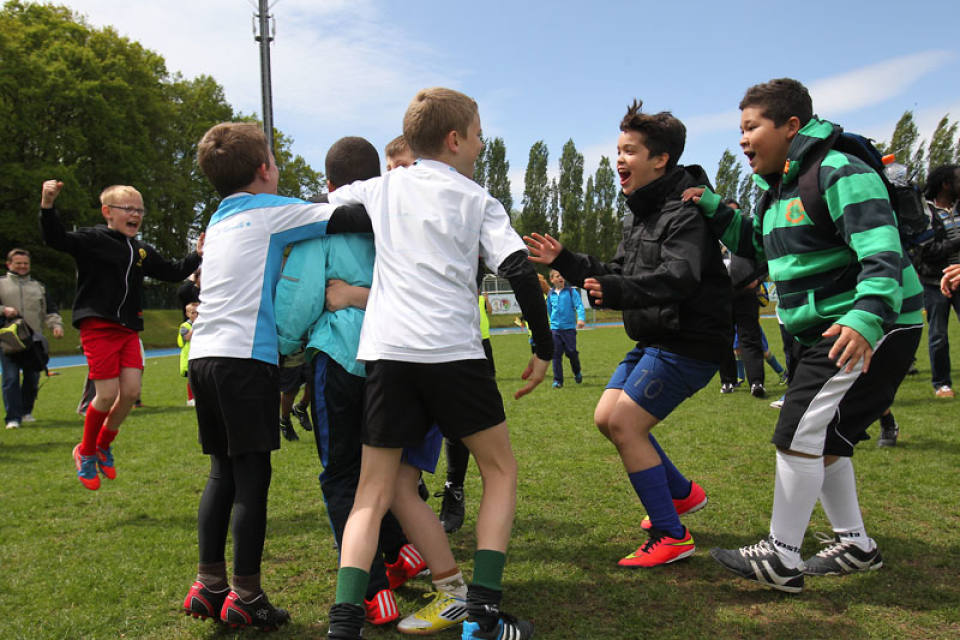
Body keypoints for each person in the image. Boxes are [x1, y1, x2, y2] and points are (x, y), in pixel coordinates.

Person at [324, 87, 552, 640]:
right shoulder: (477, 199)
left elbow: (327, 207)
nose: (481, 144)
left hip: (388, 356)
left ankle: (343, 627)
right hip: (454, 354)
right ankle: (483, 617)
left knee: (371, 495)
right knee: (500, 471)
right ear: (454, 140)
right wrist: (544, 347)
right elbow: (519, 270)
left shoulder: (380, 187)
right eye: (478, 135)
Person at [685, 78, 923, 593]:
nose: (742, 139)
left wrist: (865, 318)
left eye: (752, 127)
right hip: (828, 329)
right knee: (827, 437)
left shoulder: (840, 171)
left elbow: (881, 250)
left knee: (796, 431)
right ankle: (856, 545)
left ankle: (782, 555)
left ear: (791, 126)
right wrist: (713, 207)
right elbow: (755, 244)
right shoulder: (777, 193)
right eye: (740, 129)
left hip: (866, 324)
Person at [525, 99, 731, 570]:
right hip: (657, 338)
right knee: (606, 417)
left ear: (660, 160)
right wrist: (565, 260)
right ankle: (681, 494)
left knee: (625, 424)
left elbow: (680, 278)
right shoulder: (639, 214)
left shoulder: (684, 212)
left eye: (630, 151)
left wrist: (617, 290)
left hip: (690, 341)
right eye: (618, 150)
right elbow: (616, 272)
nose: (619, 159)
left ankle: (671, 535)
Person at [180, 121, 365, 630]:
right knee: (252, 476)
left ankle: (208, 584)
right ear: (264, 169)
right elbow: (351, 216)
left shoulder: (219, 218)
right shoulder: (272, 212)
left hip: (205, 355)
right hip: (245, 358)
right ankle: (247, 595)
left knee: (221, 471)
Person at [279, 135, 461, 632]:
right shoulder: (394, 219)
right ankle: (401, 550)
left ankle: (373, 589)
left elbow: (298, 297)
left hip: (340, 359)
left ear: (330, 185)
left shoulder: (321, 224)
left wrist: (284, 347)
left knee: (342, 477)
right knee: (384, 472)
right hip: (394, 360)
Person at [40, 182, 201, 490]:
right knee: (106, 394)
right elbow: (55, 239)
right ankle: (86, 451)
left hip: (128, 329)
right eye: (128, 209)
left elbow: (171, 271)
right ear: (107, 212)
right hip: (98, 326)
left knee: (129, 393)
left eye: (140, 209)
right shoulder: (93, 239)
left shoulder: (140, 250)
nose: (135, 214)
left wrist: (197, 255)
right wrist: (48, 205)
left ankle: (102, 445)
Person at [1, 248, 64, 429]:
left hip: (33, 341)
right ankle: (13, 418)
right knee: (11, 379)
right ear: (9, 264)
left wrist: (56, 325)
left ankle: (26, 411)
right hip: (8, 341)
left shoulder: (39, 287)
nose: (22, 266)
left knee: (32, 379)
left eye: (25, 263)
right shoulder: (1, 284)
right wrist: (3, 310)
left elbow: (50, 310)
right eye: (18, 263)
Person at [717, 198, 768, 397]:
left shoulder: (748, 235)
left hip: (746, 294)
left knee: (750, 338)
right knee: (724, 339)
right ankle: (727, 381)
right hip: (722, 296)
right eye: (726, 211)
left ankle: (756, 382)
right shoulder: (713, 236)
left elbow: (765, 259)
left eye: (734, 212)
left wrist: (757, 279)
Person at [917, 164, 960, 398]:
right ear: (945, 184)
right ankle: (942, 384)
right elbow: (927, 250)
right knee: (938, 335)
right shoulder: (925, 212)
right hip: (935, 282)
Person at [546, 269, 585, 388]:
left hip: (569, 329)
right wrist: (553, 323)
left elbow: (579, 306)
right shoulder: (550, 294)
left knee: (572, 353)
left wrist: (581, 318)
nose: (560, 278)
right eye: (557, 276)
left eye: (562, 275)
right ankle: (558, 381)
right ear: (552, 279)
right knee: (556, 355)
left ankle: (577, 372)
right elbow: (549, 310)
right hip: (555, 330)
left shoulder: (571, 292)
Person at [278, 349, 312, 441]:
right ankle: (285, 421)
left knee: (315, 382)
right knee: (290, 391)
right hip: (289, 358)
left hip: (308, 353)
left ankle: (301, 407)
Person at [178, 302, 198, 407]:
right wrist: (195, 327)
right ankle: (191, 399)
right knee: (191, 379)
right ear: (187, 314)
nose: (196, 315)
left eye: (197, 313)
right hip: (189, 357)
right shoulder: (184, 326)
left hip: (199, 355)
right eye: (193, 313)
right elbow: (187, 337)